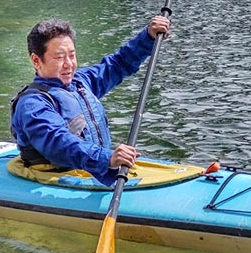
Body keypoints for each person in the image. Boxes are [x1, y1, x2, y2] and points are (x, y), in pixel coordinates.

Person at [10, 16, 170, 186]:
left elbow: (118, 64)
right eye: (59, 58)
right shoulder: (32, 104)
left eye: (71, 55)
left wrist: (148, 37)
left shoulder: (80, 82)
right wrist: (106, 158)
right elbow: (58, 143)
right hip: (61, 178)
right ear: (36, 60)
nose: (69, 64)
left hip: (93, 170)